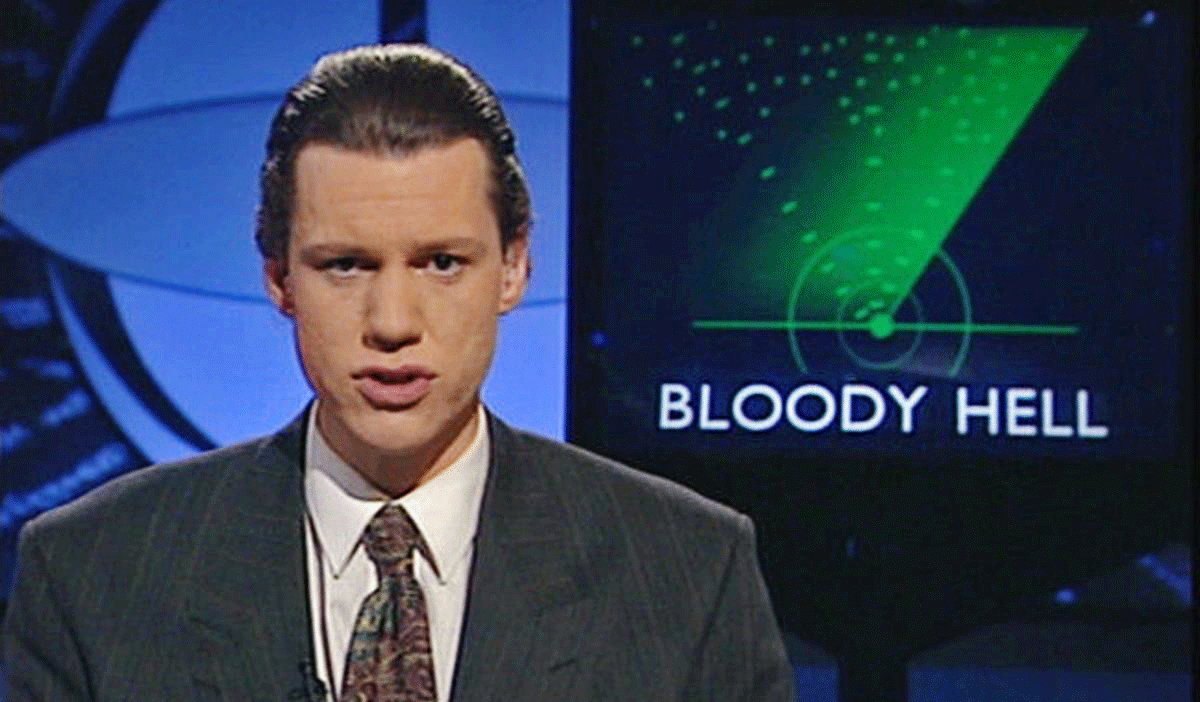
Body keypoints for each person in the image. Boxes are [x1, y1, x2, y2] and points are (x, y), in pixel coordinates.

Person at [2, 44, 794, 701]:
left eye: (442, 263)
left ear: (514, 267)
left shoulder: (687, 571)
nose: (391, 323)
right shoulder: (94, 573)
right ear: (278, 277)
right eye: (345, 265)